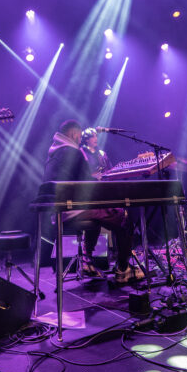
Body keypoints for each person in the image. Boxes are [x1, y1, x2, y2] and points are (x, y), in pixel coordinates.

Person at [43, 119, 142, 282]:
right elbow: (89, 187)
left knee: (97, 219)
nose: (80, 139)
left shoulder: (53, 155)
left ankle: (86, 261)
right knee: (123, 217)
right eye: (80, 136)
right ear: (74, 134)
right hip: (73, 209)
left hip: (59, 211)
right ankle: (124, 270)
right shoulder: (72, 152)